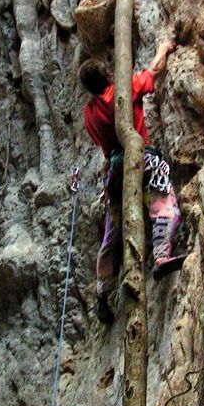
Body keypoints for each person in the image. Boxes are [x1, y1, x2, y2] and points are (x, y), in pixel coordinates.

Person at [79, 38, 185, 324]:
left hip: (115, 175)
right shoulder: (120, 93)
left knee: (112, 233)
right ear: (108, 76)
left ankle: (102, 293)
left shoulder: (88, 114)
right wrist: (163, 49)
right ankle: (161, 255)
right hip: (140, 160)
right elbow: (153, 73)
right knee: (162, 197)